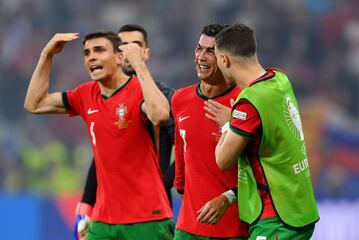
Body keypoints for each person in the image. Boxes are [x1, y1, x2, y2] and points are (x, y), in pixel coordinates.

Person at [24, 30, 174, 239]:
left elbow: (160, 115)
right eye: (86, 53)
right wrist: (46, 55)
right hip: (103, 220)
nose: (91, 56)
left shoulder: (140, 89)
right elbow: (35, 104)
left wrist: (139, 65)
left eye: (99, 50)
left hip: (146, 216)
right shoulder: (85, 94)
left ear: (119, 57)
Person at [213, 23, 319, 240]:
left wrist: (227, 124)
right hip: (300, 208)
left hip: (276, 218)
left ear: (224, 60)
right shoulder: (280, 79)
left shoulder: (250, 102)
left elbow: (223, 160)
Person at [73, 24, 175, 240]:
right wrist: (87, 202)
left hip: (149, 212)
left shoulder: (162, 97)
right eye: (122, 44)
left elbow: (188, 147)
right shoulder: (101, 96)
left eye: (134, 45)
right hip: (109, 215)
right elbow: (105, 156)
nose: (127, 50)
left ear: (145, 53)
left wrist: (163, 182)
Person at [172, 23, 249, 240]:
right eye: (199, 49)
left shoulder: (245, 101)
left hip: (233, 230)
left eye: (210, 51)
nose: (201, 57)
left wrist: (227, 197)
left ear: (225, 58)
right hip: (188, 229)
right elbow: (181, 150)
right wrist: (181, 186)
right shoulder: (180, 99)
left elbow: (261, 168)